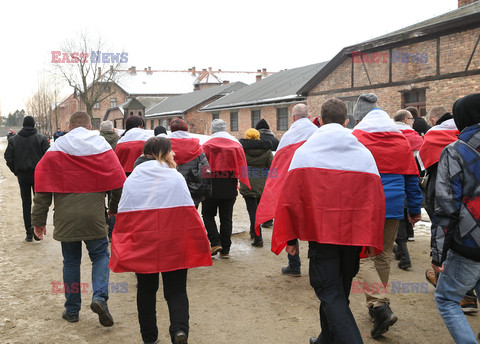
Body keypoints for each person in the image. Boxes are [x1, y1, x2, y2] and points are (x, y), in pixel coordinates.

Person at [272, 98, 385, 344]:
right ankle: (326, 339)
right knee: (338, 292)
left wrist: (291, 238)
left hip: (321, 236)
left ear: (320, 121)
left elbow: (290, 199)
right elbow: (375, 202)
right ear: (346, 121)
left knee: (329, 292)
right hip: (353, 236)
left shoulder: (305, 151)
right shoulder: (364, 153)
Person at [109, 137, 212, 344]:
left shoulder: (132, 179)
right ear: (163, 154)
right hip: (173, 241)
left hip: (143, 242)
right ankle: (179, 330)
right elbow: (188, 213)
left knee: (146, 290)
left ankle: (149, 337)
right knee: (176, 289)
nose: (174, 155)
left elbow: (124, 214)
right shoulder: (174, 178)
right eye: (171, 152)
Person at [32, 111, 126, 326]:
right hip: (93, 214)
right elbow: (118, 182)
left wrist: (37, 221)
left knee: (71, 262)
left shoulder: (56, 149)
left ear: (70, 127)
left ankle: (72, 310)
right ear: (89, 126)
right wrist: (113, 208)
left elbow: (42, 191)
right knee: (101, 256)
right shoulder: (101, 147)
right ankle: (100, 297)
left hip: (65, 217)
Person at [352, 98, 423, 339]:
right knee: (382, 254)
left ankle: (379, 305)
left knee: (363, 256)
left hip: (365, 205)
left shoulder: (357, 138)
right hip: (393, 206)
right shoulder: (401, 141)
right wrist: (414, 210)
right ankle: (377, 306)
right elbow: (412, 179)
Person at [431, 93, 480, 343]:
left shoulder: (455, 151)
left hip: (470, 243)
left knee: (446, 299)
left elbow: (446, 206)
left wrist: (437, 253)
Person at [421, 107, 477, 314]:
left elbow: (427, 165)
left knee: (455, 241)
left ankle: (465, 295)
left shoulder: (436, 135)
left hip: (448, 196)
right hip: (473, 202)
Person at [255, 103, 317, 276]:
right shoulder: (317, 133)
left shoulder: (288, 136)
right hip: (313, 186)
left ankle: (294, 264)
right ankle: (316, 265)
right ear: (309, 115)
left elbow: (279, 165)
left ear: (293, 117)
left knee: (290, 220)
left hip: (291, 186)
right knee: (313, 222)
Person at [201, 119, 250, 259]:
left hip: (211, 184)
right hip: (229, 184)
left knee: (208, 214)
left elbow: (202, 166)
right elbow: (242, 165)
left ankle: (215, 241)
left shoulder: (207, 145)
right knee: (226, 217)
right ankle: (226, 249)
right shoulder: (236, 145)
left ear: (212, 129)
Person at [4, 116, 49, 241]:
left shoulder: (14, 140)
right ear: (34, 124)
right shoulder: (41, 138)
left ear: (23, 124)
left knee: (26, 203)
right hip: (38, 174)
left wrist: (15, 171)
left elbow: (8, 157)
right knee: (38, 203)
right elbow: (48, 156)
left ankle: (28, 233)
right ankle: (37, 231)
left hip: (23, 175)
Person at [393, 109, 424, 270]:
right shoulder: (415, 138)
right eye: (412, 118)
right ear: (406, 120)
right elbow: (421, 164)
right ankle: (402, 253)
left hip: (392, 183)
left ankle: (402, 253)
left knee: (397, 221)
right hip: (409, 180)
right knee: (403, 218)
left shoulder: (389, 135)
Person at [239, 128, 273, 247]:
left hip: (247, 183)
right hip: (261, 184)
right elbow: (272, 167)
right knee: (258, 211)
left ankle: (258, 237)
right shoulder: (267, 150)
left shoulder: (242, 150)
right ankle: (254, 232)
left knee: (252, 211)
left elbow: (239, 165)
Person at [168, 118, 211, 208]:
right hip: (192, 189)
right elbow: (205, 168)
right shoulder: (196, 146)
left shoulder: (164, 146)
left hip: (171, 188)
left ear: (171, 129)